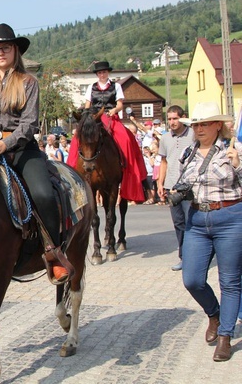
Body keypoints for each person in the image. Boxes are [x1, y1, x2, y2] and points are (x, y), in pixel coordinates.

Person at [0, 23, 68, 282]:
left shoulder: (28, 82)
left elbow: (29, 125)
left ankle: (54, 253)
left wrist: (4, 144)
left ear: (15, 50)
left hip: (22, 150)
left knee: (43, 194)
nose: (0, 52)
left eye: (6, 47)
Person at [173, 102, 242, 362]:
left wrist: (238, 166)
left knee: (230, 281)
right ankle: (214, 313)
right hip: (197, 219)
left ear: (217, 125)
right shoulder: (188, 153)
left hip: (230, 217)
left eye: (204, 124)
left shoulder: (233, 150)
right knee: (192, 279)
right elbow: (185, 184)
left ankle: (225, 336)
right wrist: (176, 192)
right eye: (196, 124)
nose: (199, 128)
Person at [67, 61, 147, 203]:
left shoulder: (116, 86)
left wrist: (114, 110)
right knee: (76, 138)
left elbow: (120, 104)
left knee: (126, 138)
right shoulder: (91, 87)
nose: (102, 74)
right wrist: (87, 117)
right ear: (97, 74)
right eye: (99, 72)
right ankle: (73, 169)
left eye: (104, 72)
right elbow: (87, 105)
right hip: (95, 118)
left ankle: (127, 167)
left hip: (111, 117)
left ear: (107, 73)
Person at [156, 105, 194, 271]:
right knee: (178, 223)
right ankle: (183, 257)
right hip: (172, 186)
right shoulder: (165, 138)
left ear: (182, 117)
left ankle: (194, 258)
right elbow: (164, 161)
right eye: (169, 119)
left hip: (190, 185)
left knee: (191, 222)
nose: (172, 122)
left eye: (175, 118)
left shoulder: (193, 134)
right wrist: (160, 182)